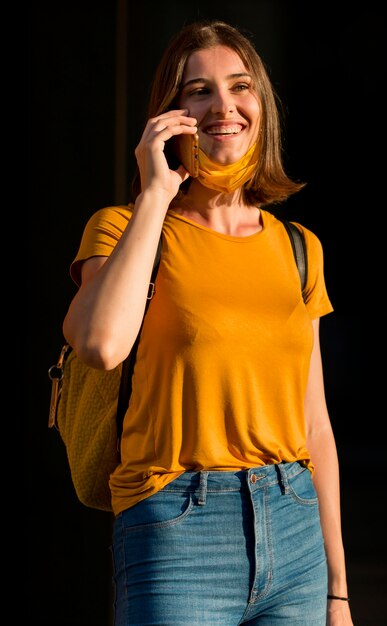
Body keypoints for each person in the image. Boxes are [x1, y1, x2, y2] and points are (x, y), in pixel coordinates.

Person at [63, 19, 354, 626]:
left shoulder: (299, 247)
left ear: (261, 105)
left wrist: (338, 591)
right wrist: (153, 194)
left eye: (239, 85)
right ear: (170, 115)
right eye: (198, 91)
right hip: (176, 528)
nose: (225, 105)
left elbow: (315, 426)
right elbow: (98, 344)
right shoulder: (123, 228)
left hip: (294, 520)